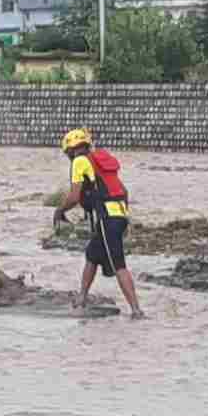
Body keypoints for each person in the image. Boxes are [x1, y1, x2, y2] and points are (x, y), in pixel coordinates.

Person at [53, 128, 144, 319]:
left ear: (70, 150)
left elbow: (74, 196)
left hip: (107, 218)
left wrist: (60, 211)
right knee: (92, 255)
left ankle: (136, 310)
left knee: (119, 264)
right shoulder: (99, 161)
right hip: (118, 216)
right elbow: (124, 192)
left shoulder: (79, 161)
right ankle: (82, 298)